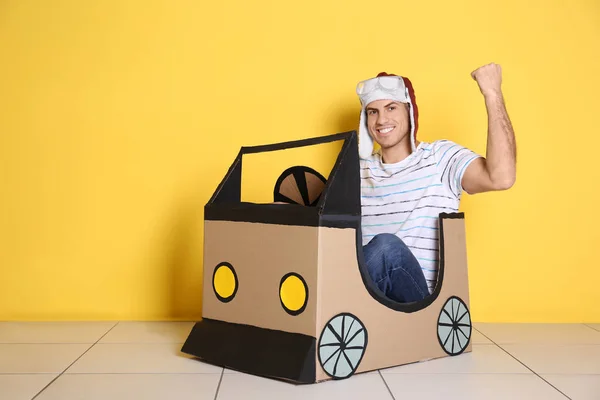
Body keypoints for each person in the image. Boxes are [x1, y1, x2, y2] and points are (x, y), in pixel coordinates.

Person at [357, 63, 516, 303]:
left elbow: (501, 177)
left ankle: (330, 309)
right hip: (364, 300)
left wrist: (492, 93)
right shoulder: (358, 169)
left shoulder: (440, 157)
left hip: (417, 305)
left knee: (386, 247)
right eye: (373, 111)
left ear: (410, 112)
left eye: (391, 107)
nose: (382, 119)